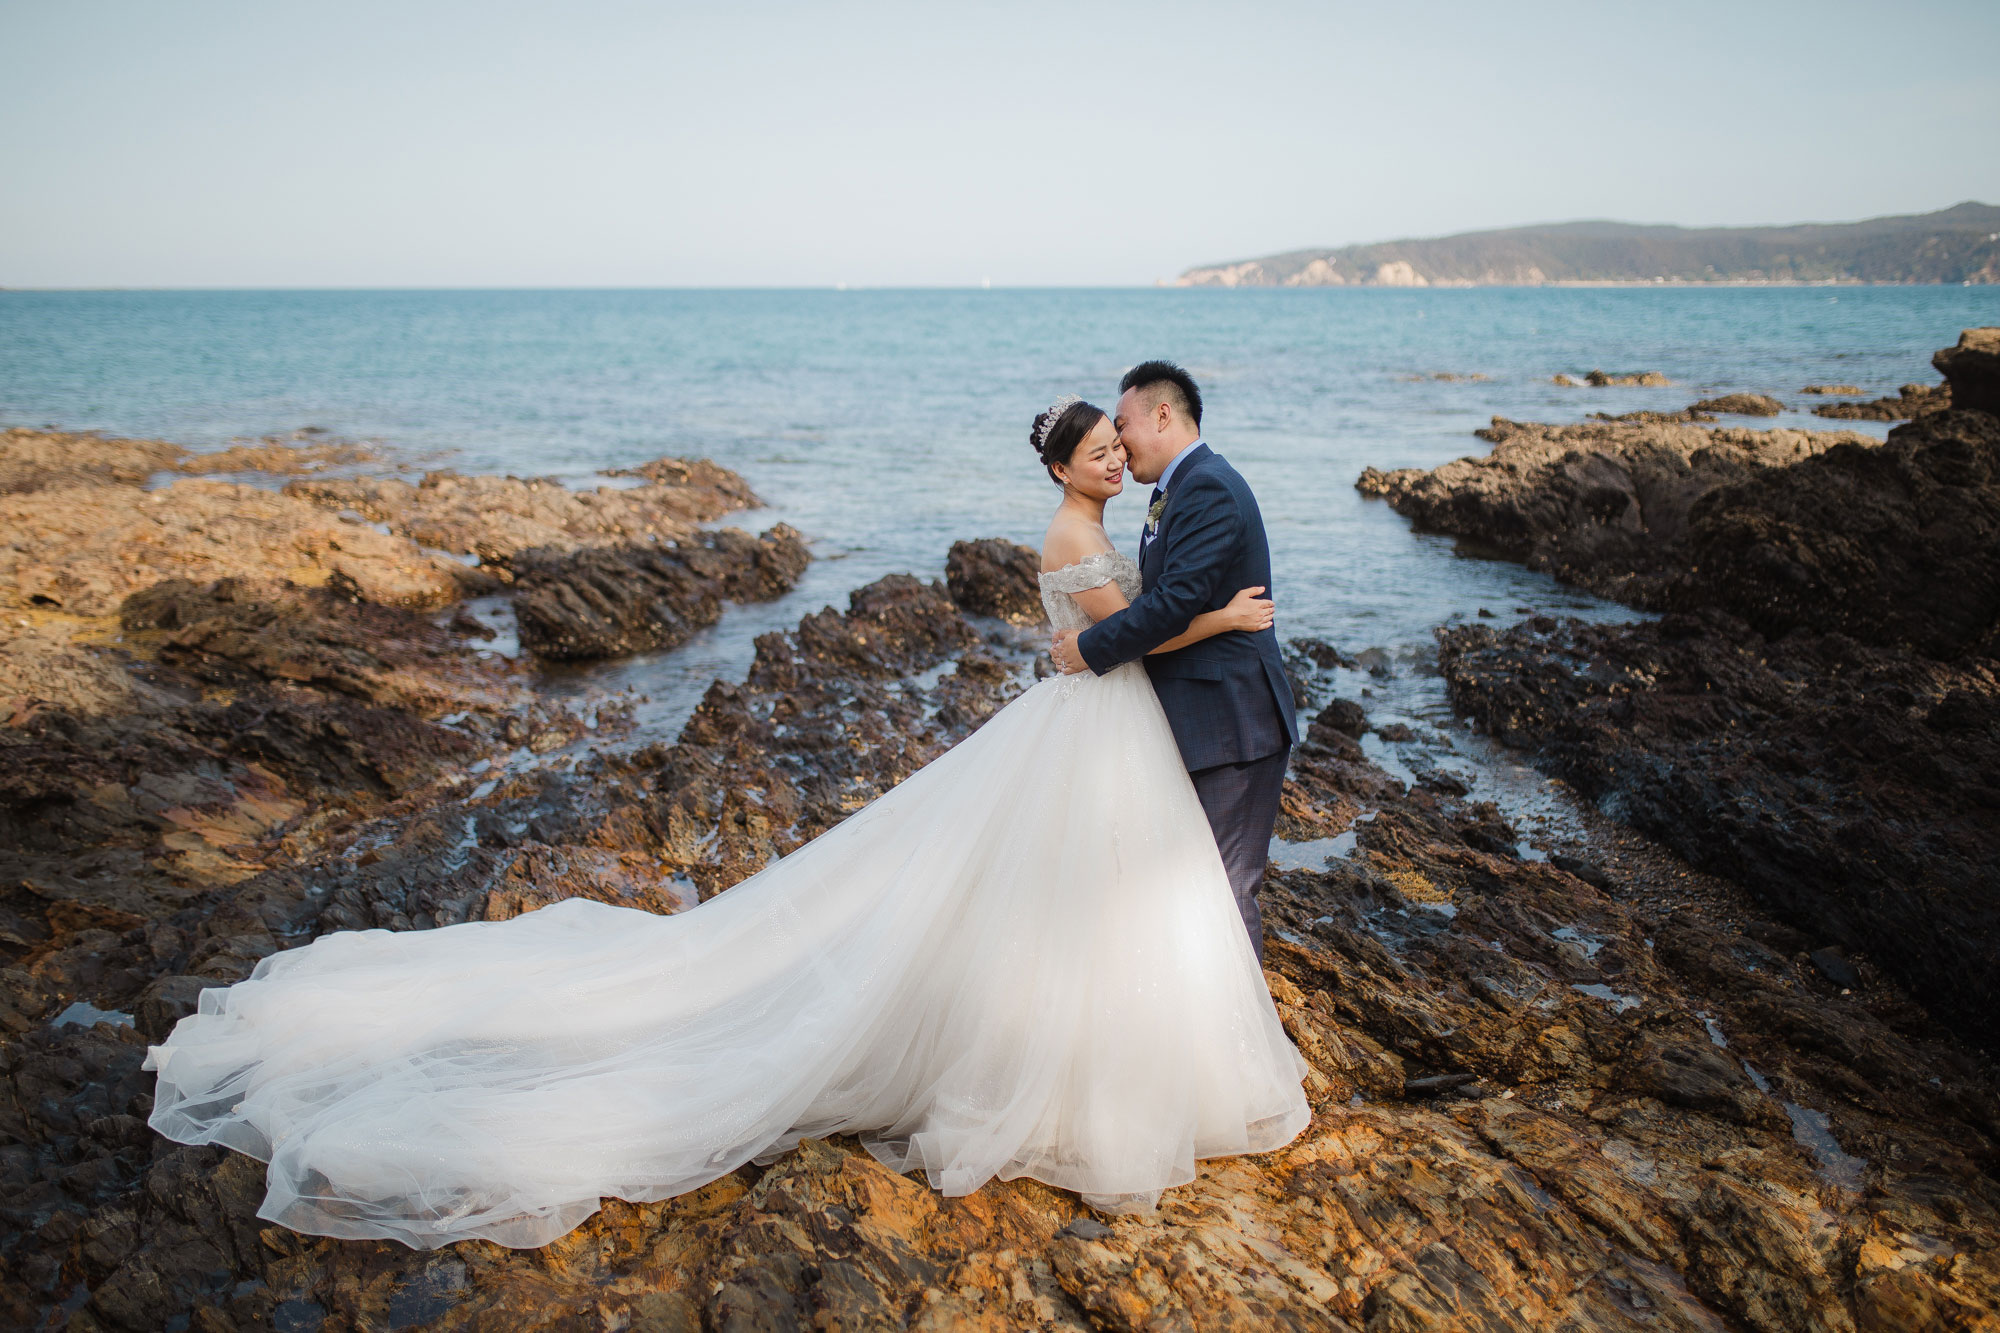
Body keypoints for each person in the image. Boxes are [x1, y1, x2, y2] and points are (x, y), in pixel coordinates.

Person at [140, 394, 1311, 1251]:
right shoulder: (1072, 533)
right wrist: (1222, 621)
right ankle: (1079, 1066)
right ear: (1065, 466)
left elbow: (1114, 625)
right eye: (1099, 451)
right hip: (1093, 722)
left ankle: (1095, 1039)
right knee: (1069, 885)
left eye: (1119, 446)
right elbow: (1124, 633)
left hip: (1098, 729)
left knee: (1066, 892)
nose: (1115, 460)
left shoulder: (1111, 524)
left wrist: (1177, 615)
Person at [1050, 362, 1300, 962]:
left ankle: (1241, 1048)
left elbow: (1173, 604)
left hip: (1232, 722)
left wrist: (1086, 650)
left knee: (1223, 886)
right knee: (1191, 886)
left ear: (1163, 415)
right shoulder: (1175, 488)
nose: (1119, 442)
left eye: (1124, 426)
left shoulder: (1208, 486)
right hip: (1196, 718)